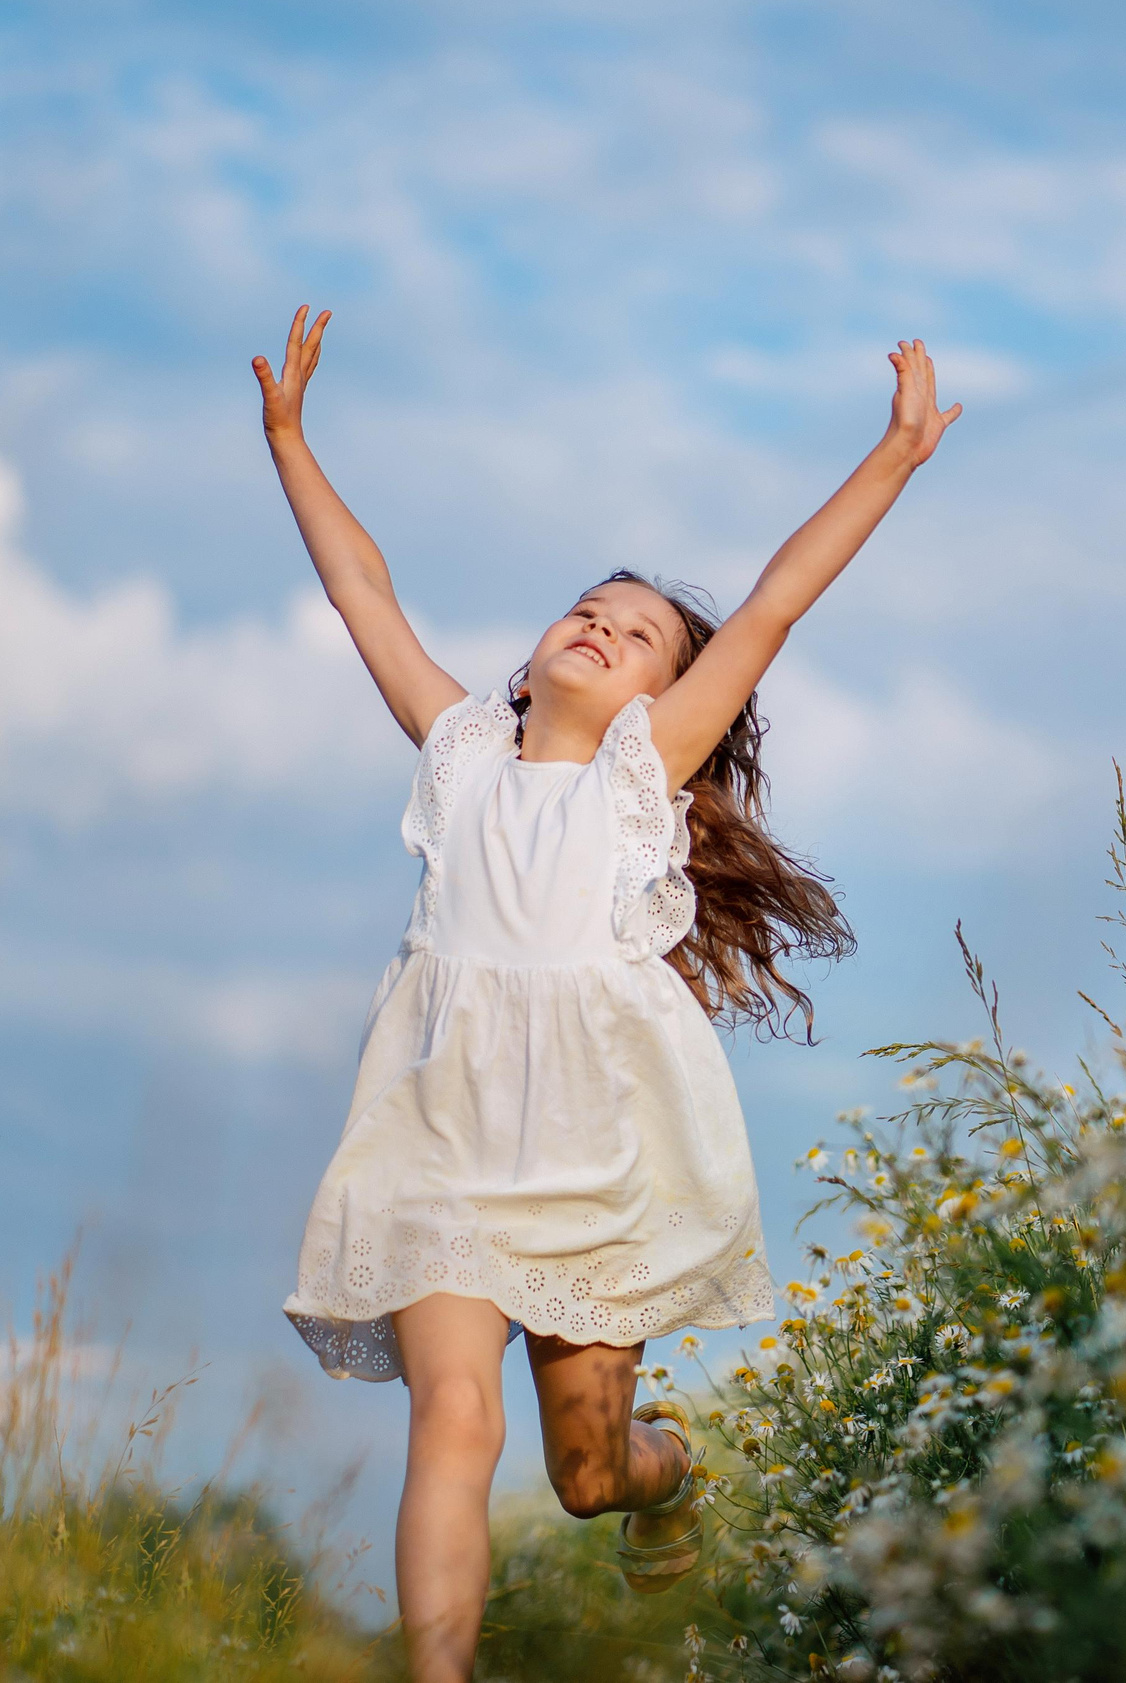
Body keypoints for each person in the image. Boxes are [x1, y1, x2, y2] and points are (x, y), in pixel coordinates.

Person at [252, 307, 960, 1682]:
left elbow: (775, 601)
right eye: (589, 610)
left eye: (638, 634)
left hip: (595, 1154)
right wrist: (290, 439)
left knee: (585, 1476)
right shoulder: (461, 750)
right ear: (529, 664)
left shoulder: (642, 773)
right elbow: (362, 592)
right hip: (437, 1145)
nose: (601, 626)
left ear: (660, 705)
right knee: (455, 1420)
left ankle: (666, 1472)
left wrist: (895, 456)